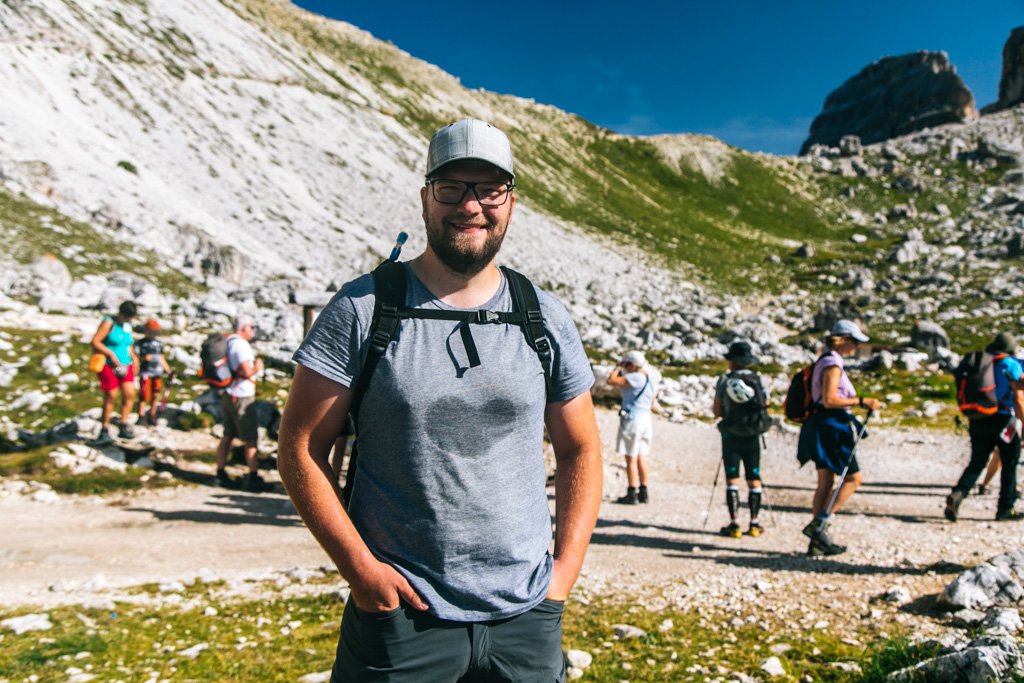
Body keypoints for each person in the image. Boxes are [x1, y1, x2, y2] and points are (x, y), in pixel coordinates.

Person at [278, 118, 602, 682]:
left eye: (489, 189)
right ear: (426, 197)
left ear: (511, 201)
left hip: (527, 617)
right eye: (452, 188)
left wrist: (562, 579)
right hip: (402, 617)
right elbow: (302, 448)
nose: (471, 206)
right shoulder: (364, 308)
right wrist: (362, 573)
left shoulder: (544, 316)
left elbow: (582, 449)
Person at [797, 319, 881, 556]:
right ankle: (820, 524)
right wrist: (863, 401)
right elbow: (830, 399)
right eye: (854, 341)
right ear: (843, 339)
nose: (856, 347)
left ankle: (816, 542)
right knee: (853, 478)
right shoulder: (833, 363)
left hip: (819, 425)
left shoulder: (823, 360)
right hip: (833, 426)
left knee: (825, 482)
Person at [945, 332, 1024, 522]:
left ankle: (958, 493)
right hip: (1005, 420)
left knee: (977, 461)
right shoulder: (1010, 365)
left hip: (978, 417)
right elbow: (1018, 397)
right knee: (1009, 463)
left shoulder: (981, 363)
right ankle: (1005, 508)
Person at [713, 340, 770, 538]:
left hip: (731, 434)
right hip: (753, 434)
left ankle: (734, 523)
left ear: (732, 361)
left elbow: (717, 410)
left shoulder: (725, 380)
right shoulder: (759, 380)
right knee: (754, 478)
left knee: (732, 479)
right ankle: (754, 523)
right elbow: (766, 405)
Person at [213, 315, 270, 492]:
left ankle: (220, 472)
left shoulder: (229, 341)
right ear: (243, 327)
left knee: (228, 434)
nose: (253, 330)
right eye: (251, 327)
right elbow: (246, 371)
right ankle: (253, 475)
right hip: (242, 395)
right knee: (250, 437)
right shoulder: (241, 345)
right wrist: (258, 368)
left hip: (229, 393)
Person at [607, 350, 659, 504]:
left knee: (630, 458)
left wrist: (617, 367)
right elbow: (652, 400)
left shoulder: (635, 377)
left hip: (632, 419)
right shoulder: (651, 378)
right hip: (646, 420)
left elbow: (611, 381)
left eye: (626, 364)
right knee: (642, 457)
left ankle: (632, 492)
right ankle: (644, 491)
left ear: (631, 364)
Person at [90, 300, 140, 443]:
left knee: (129, 393)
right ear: (122, 314)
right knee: (111, 394)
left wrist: (134, 358)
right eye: (129, 316)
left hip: (126, 363)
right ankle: (104, 428)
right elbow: (95, 341)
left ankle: (124, 424)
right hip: (109, 364)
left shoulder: (127, 326)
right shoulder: (108, 323)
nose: (130, 319)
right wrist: (111, 355)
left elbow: (128, 344)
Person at [135, 318, 173, 426]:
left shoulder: (159, 344)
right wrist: (143, 358)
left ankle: (152, 415)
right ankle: (141, 415)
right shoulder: (140, 343)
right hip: (145, 372)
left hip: (157, 372)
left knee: (155, 394)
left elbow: (161, 358)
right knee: (143, 394)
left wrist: (168, 370)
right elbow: (136, 357)